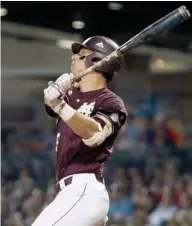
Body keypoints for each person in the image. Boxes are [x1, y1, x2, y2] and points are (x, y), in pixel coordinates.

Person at [32, 36, 128, 226]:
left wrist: (59, 104)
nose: (74, 57)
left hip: (84, 190)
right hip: (67, 193)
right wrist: (58, 91)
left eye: (82, 54)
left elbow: (94, 134)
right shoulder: (71, 96)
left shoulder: (109, 101)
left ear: (97, 61)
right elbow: (50, 105)